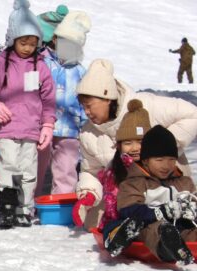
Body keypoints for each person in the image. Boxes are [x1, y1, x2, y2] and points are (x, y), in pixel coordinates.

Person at [72, 59, 197, 230]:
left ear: (107, 98)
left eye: (89, 106)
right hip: (128, 198)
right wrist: (88, 194)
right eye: (82, 106)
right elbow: (90, 170)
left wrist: (162, 147)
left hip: (169, 185)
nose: (86, 112)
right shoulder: (88, 133)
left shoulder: (145, 105)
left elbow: (192, 114)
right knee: (99, 226)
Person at [0, 0, 55, 228]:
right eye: (23, 42)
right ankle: (8, 205)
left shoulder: (41, 66)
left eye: (32, 43)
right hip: (6, 127)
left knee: (28, 171)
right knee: (7, 166)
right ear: (13, 39)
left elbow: (48, 99)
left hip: (30, 128)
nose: (28, 48)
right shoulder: (0, 63)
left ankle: (24, 208)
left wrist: (47, 124)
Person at [104, 125, 197, 264]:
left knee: (190, 231)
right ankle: (167, 247)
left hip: (183, 229)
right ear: (146, 160)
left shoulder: (184, 182)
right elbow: (128, 210)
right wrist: (162, 211)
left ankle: (178, 246)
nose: (166, 165)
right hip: (148, 229)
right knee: (153, 229)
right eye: (159, 160)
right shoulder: (134, 183)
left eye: (171, 160)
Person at [37, 10, 90, 196]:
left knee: (66, 171)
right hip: (41, 126)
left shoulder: (80, 71)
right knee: (35, 168)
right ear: (54, 40)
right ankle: (29, 203)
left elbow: (86, 101)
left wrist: (84, 124)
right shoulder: (41, 62)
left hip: (69, 129)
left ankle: (62, 203)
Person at [81, 99, 149, 232]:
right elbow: (112, 204)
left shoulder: (158, 166)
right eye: (128, 143)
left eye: (140, 142)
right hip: (122, 221)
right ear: (119, 146)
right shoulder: (116, 170)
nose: (135, 148)